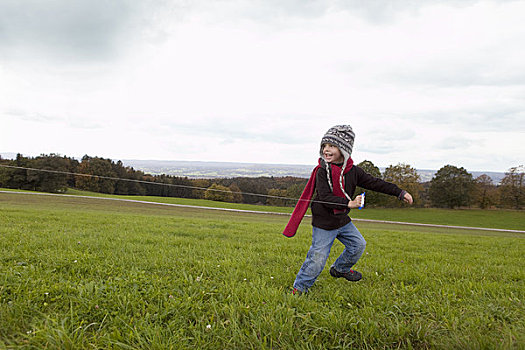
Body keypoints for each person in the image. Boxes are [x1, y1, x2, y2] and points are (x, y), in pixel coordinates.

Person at [283, 125, 413, 294]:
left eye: (332, 146)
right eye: (324, 146)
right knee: (317, 258)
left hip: (342, 221)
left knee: (358, 245)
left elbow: (376, 183)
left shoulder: (354, 171)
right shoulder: (322, 171)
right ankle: (300, 288)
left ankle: (340, 268)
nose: (326, 150)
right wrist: (348, 203)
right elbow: (324, 197)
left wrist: (399, 192)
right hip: (324, 223)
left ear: (344, 149)